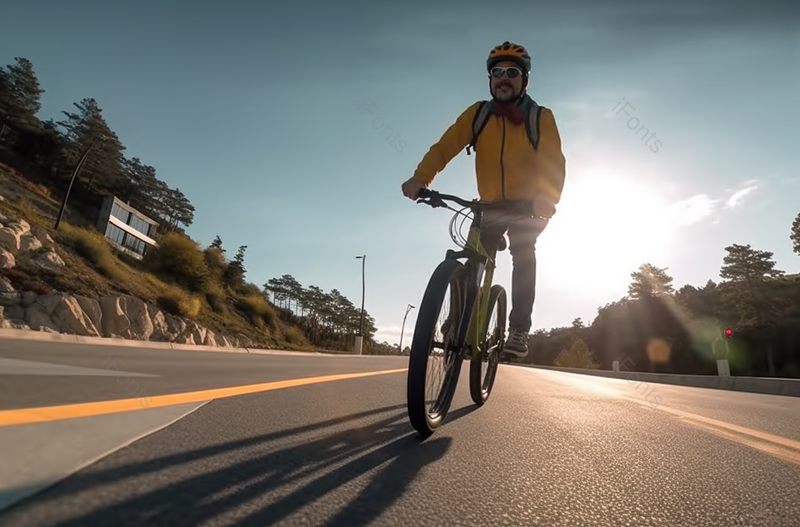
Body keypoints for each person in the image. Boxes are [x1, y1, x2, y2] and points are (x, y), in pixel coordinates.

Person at [400, 41, 567, 358]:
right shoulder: (478, 114)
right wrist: (421, 178)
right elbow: (445, 146)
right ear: (490, 80)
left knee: (523, 254)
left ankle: (518, 330)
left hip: (528, 207)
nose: (504, 78)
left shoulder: (540, 117)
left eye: (512, 72)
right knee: (471, 257)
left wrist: (547, 199)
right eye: (497, 72)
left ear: (524, 80)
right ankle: (456, 322)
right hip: (488, 205)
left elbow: (553, 162)